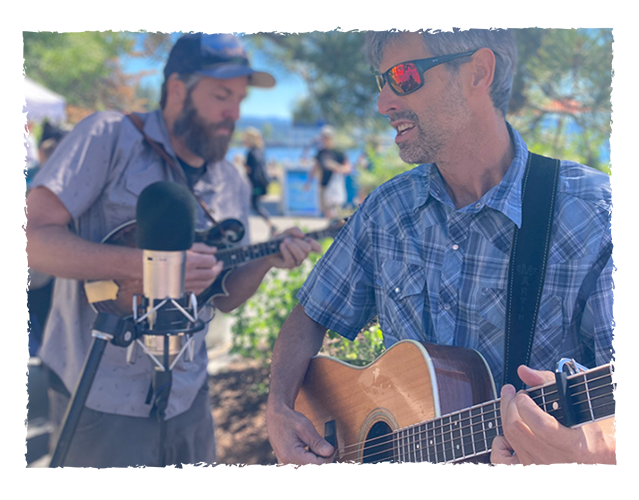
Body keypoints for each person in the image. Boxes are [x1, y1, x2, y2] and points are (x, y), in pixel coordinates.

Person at [266, 28, 617, 468]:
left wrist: (591, 450)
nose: (384, 103)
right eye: (382, 82)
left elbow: (628, 411)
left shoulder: (596, 215)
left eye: (405, 76)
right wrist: (278, 408)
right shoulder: (386, 210)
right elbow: (310, 314)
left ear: (479, 72)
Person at [23, 31, 321, 480]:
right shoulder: (109, 138)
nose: (233, 113)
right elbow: (34, 240)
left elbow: (221, 298)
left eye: (239, 100)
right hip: (100, 399)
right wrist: (149, 268)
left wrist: (266, 260)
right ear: (177, 88)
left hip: (188, 401)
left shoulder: (231, 183)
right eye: (222, 95)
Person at [304, 125, 351, 220]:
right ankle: (330, 226)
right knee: (325, 209)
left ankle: (335, 227)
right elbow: (315, 167)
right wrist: (308, 182)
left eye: (327, 137)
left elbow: (348, 168)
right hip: (323, 185)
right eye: (323, 137)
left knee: (336, 210)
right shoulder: (321, 152)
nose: (324, 140)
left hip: (335, 186)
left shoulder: (339, 152)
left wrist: (335, 167)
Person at [243, 127, 277, 237]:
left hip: (254, 183)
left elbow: (249, 169)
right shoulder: (260, 151)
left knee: (253, 205)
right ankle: (271, 225)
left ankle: (271, 225)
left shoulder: (250, 153)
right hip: (261, 182)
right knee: (253, 205)